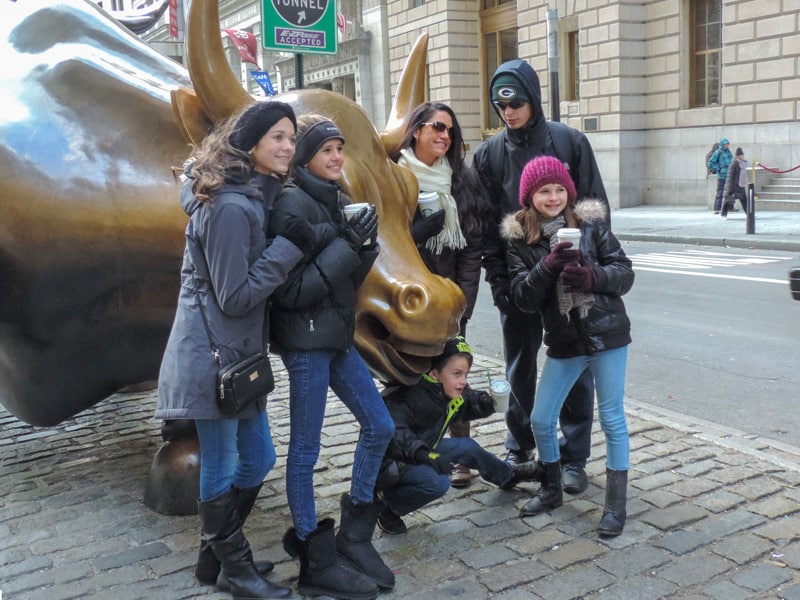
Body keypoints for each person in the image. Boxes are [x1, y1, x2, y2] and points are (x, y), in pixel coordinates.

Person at [155, 101, 313, 599]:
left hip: (235, 354)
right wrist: (286, 250)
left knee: (259, 456)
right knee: (223, 464)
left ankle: (214, 560)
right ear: (250, 144)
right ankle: (235, 569)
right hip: (212, 356)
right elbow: (235, 295)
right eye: (278, 138)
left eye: (291, 138)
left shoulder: (251, 194)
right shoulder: (229, 206)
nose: (288, 146)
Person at [267, 115, 395, 600]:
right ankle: (311, 551)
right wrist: (347, 243)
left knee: (379, 425)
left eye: (340, 149)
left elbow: (345, 279)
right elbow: (292, 292)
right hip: (305, 343)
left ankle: (354, 534)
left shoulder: (336, 199)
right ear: (306, 158)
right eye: (327, 151)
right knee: (304, 449)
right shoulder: (290, 206)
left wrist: (365, 243)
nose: (337, 158)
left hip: (335, 339)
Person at [473, 59, 609, 494]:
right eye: (500, 105)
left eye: (516, 103)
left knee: (573, 364)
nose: (508, 112)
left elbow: (595, 211)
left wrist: (594, 270)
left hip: (569, 280)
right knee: (519, 365)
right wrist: (499, 284)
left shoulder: (569, 142)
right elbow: (483, 225)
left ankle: (573, 456)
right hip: (519, 283)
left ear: (532, 97)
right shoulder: (489, 154)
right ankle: (520, 445)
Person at [503, 155, 634, 536]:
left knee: (612, 418)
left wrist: (592, 276)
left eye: (560, 189)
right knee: (542, 419)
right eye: (545, 191)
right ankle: (551, 487)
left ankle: (614, 505)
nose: (554, 197)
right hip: (564, 340)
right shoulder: (520, 241)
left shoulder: (592, 227)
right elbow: (522, 298)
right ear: (530, 197)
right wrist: (548, 267)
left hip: (607, 333)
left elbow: (624, 273)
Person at [396, 102, 494, 489]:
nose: (444, 136)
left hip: (450, 299)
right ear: (416, 130)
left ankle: (462, 456)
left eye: (450, 130)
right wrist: (417, 232)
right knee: (409, 378)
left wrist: (463, 300)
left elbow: (472, 247)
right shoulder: (396, 177)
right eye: (436, 126)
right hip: (407, 298)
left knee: (455, 375)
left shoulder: (461, 180)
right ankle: (413, 456)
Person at [375, 336, 541, 534]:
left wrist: (489, 401)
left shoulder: (441, 390)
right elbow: (395, 435)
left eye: (465, 374)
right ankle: (388, 509)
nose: (463, 381)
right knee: (437, 482)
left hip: (425, 446)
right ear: (435, 373)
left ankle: (507, 475)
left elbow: (467, 404)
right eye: (456, 374)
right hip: (393, 464)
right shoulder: (409, 397)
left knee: (467, 447)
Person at [707, 138, 733, 214]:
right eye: (725, 144)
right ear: (722, 144)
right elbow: (710, 162)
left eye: (727, 144)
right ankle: (717, 208)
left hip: (729, 174)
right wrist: (718, 169)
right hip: (721, 175)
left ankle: (729, 207)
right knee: (720, 192)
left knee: (730, 192)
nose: (726, 145)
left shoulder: (729, 152)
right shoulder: (718, 152)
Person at [722, 147, 749, 219]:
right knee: (728, 201)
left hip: (740, 185)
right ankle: (723, 214)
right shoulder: (734, 163)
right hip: (733, 186)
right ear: (737, 156)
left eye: (743, 155)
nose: (743, 157)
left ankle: (749, 214)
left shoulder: (743, 163)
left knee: (744, 200)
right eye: (741, 155)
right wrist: (729, 188)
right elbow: (730, 176)